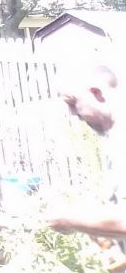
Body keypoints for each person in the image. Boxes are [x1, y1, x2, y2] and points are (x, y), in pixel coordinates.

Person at [50, 59, 126, 239]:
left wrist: (71, 220)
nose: (73, 113)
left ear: (96, 92)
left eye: (73, 103)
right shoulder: (113, 136)